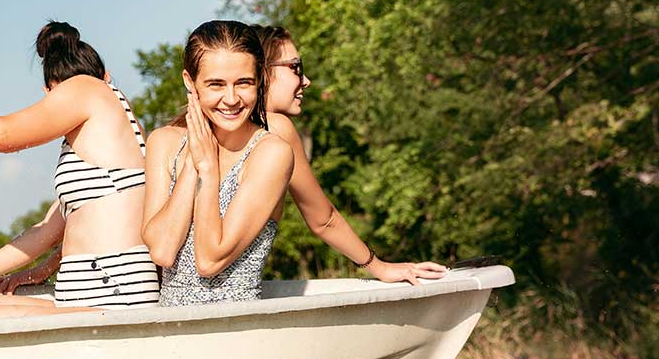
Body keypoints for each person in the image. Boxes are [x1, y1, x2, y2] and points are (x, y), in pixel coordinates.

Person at [0, 21, 159, 322]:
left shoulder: (86, 90)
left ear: (49, 92)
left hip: (113, 295)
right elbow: (46, 232)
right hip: (93, 291)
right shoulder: (109, 138)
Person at [253, 25, 447, 285]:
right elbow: (324, 220)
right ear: (262, 70)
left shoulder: (197, 131)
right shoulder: (277, 127)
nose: (306, 80)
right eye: (295, 67)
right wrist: (380, 267)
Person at [142, 20, 294, 304]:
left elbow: (210, 259)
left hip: (235, 332)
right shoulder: (163, 143)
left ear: (259, 79)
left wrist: (209, 173)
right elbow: (162, 250)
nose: (231, 98)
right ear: (191, 82)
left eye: (244, 83)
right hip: (168, 333)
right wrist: (192, 164)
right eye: (216, 84)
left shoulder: (270, 153)